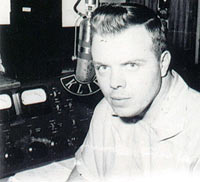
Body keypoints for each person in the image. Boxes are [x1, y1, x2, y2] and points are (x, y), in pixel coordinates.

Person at [67, 3, 200, 181]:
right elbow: (84, 174)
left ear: (163, 63)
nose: (114, 83)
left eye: (131, 65)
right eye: (103, 67)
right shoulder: (106, 110)